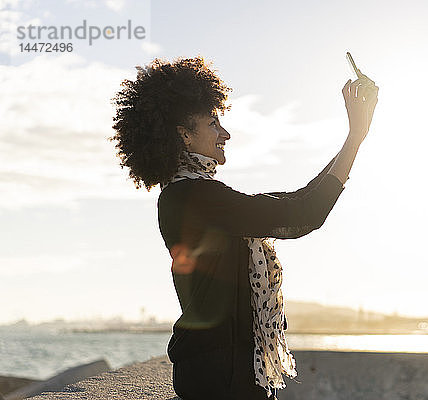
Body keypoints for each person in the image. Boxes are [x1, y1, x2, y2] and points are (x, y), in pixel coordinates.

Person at [110, 56, 378, 400]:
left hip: (218, 369)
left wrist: (353, 140)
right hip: (221, 378)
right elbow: (302, 214)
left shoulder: (188, 194)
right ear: (184, 135)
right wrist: (356, 137)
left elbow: (297, 203)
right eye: (212, 122)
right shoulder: (195, 196)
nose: (225, 133)